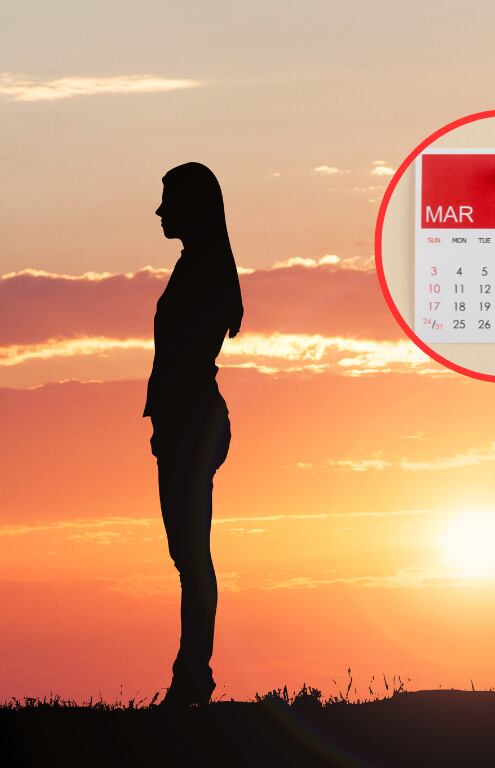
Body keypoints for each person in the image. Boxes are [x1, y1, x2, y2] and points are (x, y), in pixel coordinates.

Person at [145, 162, 243, 707]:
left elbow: (184, 357)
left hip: (194, 422)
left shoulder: (203, 269)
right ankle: (192, 676)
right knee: (186, 553)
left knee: (192, 556)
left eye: (168, 201)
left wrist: (171, 424)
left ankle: (192, 679)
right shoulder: (197, 266)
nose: (159, 212)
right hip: (188, 421)